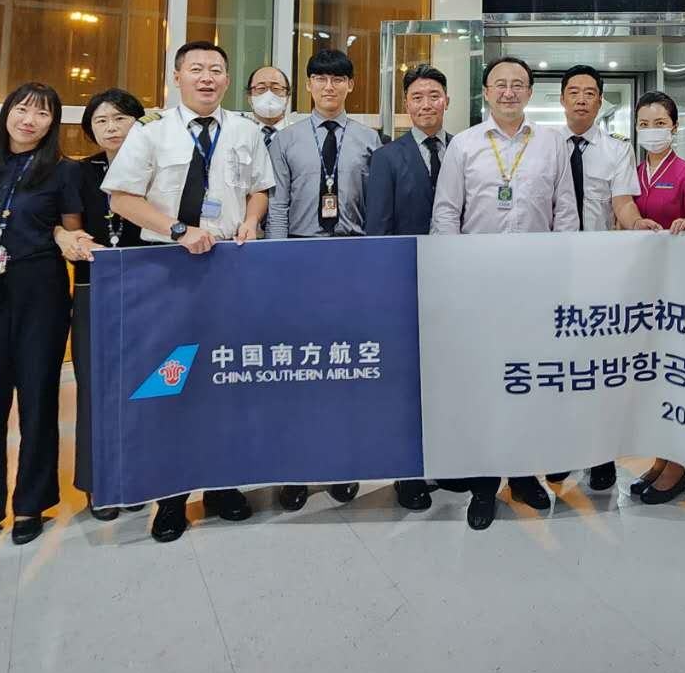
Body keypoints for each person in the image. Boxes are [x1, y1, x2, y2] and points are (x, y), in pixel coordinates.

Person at [103, 41, 274, 542]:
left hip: (228, 268)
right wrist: (177, 230)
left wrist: (252, 220)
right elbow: (121, 198)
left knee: (226, 378)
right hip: (169, 269)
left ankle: (222, 487)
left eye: (216, 70)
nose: (207, 77)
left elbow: (259, 188)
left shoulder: (244, 130)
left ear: (227, 80)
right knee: (171, 381)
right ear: (176, 77)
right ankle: (171, 497)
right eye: (196, 69)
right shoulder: (151, 133)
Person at [431, 56, 578, 530]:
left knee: (527, 381)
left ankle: (522, 473)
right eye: (500, 84)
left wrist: (564, 274)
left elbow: (566, 212)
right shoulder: (464, 145)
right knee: (481, 384)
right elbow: (446, 212)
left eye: (518, 84)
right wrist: (451, 274)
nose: (509, 92)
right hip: (478, 284)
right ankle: (482, 484)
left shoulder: (551, 144)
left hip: (536, 284)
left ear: (530, 93)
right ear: (486, 92)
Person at [0, 83, 84, 556]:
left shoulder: (63, 171)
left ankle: (31, 505)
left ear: (53, 124)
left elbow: (71, 230)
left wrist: (67, 238)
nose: (30, 120)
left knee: (39, 400)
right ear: (7, 113)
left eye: (42, 114)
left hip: (40, 292)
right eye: (23, 110)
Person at [266, 47, 379, 510]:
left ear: (350, 85)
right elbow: (276, 204)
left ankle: (342, 462)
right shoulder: (285, 140)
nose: (329, 87)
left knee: (346, 366)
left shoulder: (370, 139)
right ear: (309, 85)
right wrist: (276, 261)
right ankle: (295, 468)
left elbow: (376, 206)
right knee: (299, 368)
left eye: (338, 79)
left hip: (351, 257)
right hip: (299, 254)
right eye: (320, 79)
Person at [545, 64, 657, 496]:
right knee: (556, 366)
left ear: (600, 101)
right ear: (561, 99)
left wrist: (637, 224)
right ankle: (559, 449)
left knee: (599, 368)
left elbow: (622, 204)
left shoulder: (617, 150)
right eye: (573, 91)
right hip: (552, 269)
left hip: (598, 271)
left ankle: (601, 455)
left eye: (589, 92)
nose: (581, 99)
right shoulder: (542, 146)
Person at [54, 87, 148, 522]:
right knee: (95, 388)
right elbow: (71, 228)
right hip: (96, 288)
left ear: (138, 123)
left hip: (149, 290)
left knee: (144, 386)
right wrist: (69, 239)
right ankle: (98, 482)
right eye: (102, 121)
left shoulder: (156, 167)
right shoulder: (79, 172)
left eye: (121, 119)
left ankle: (137, 476)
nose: (111, 128)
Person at [364, 62, 451, 511]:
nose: (426, 104)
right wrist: (384, 287)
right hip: (406, 283)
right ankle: (408, 472)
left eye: (433, 95)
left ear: (447, 101)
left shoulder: (464, 149)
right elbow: (378, 229)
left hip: (457, 283)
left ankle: (448, 459)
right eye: (417, 97)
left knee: (449, 375)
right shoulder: (387, 157)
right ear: (406, 105)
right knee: (408, 381)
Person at [624, 90, 685, 508]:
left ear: (674, 128)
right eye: (644, 124)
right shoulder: (632, 173)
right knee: (652, 377)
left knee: (677, 373)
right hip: (643, 288)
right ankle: (660, 458)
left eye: (660, 124)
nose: (652, 131)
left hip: (679, 288)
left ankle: (677, 468)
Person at [245, 63, 293, 152]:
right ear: (249, 98)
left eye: (276, 88)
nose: (268, 95)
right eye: (261, 88)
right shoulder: (237, 134)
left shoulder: (299, 135)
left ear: (287, 97)